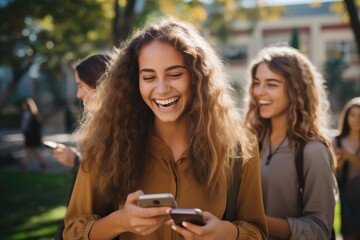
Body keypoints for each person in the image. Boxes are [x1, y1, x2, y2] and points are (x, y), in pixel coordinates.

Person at [63, 17, 268, 240]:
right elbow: (73, 231)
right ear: (135, 81)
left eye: (175, 74)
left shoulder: (238, 146)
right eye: (149, 77)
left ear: (198, 77)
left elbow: (256, 231)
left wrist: (225, 232)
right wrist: (120, 221)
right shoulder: (106, 144)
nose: (161, 89)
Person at [244, 45, 337, 239]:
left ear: (296, 90)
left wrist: (257, 221)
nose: (259, 91)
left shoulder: (313, 151)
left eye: (271, 84)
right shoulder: (251, 142)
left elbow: (320, 229)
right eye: (256, 82)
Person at [53, 54, 111, 169]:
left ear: (100, 85)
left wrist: (76, 161)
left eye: (80, 86)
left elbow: (103, 179)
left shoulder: (117, 128)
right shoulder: (104, 124)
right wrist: (77, 159)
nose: (78, 95)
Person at [333, 97, 360, 240]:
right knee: (348, 232)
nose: (356, 119)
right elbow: (333, 171)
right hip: (346, 194)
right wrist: (339, 162)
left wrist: (349, 156)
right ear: (346, 116)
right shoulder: (336, 140)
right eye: (353, 114)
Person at [20, 97, 46, 171]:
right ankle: (42, 163)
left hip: (31, 137)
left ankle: (23, 165)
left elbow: (36, 127)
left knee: (28, 151)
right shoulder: (25, 115)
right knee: (33, 151)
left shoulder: (33, 116)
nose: (23, 107)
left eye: (25, 105)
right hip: (28, 136)